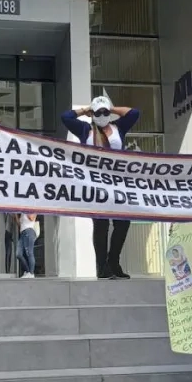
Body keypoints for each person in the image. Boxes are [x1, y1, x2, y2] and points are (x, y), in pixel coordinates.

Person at [61, 95, 140, 279]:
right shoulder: (85, 129)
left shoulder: (118, 127)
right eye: (99, 112)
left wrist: (111, 108)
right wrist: (85, 110)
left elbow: (135, 113)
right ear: (93, 114)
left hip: (118, 183)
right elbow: (65, 117)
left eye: (105, 112)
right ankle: (102, 266)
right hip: (95, 183)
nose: (103, 115)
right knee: (101, 224)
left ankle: (114, 262)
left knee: (122, 222)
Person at [16, 213, 38, 279]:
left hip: (29, 231)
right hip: (22, 233)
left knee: (29, 253)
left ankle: (31, 273)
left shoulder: (32, 209)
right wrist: (15, 215)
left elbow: (32, 218)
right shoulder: (22, 213)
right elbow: (19, 224)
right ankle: (28, 271)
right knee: (18, 254)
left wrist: (25, 210)